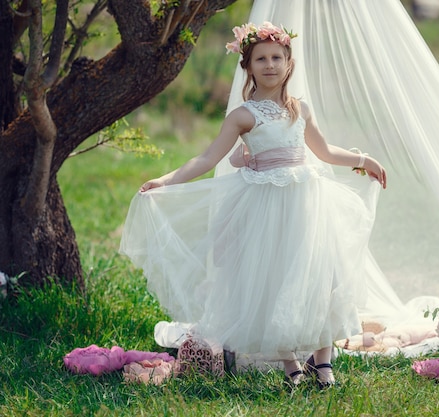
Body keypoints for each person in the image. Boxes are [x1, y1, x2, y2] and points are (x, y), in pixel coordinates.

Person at [120, 21, 387, 388]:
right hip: (265, 207)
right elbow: (208, 158)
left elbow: (324, 151)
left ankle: (322, 361)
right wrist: (166, 180)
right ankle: (290, 362)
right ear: (247, 66)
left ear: (289, 63)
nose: (270, 65)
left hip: (308, 202)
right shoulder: (243, 116)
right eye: (261, 59)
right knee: (273, 279)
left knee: (320, 276)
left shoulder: (301, 109)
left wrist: (362, 159)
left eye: (277, 57)